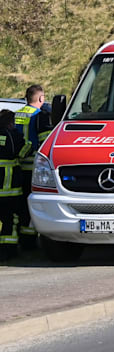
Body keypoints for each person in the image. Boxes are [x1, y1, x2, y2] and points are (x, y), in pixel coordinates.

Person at [14, 84, 45, 249]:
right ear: (40, 98)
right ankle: (30, 242)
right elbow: (43, 142)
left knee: (20, 206)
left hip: (18, 166)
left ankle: (20, 238)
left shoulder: (17, 114)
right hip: (33, 168)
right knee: (32, 207)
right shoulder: (39, 115)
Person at [0, 111, 21, 260]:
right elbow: (19, 151)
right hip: (9, 186)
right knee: (10, 220)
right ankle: (10, 251)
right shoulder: (11, 135)